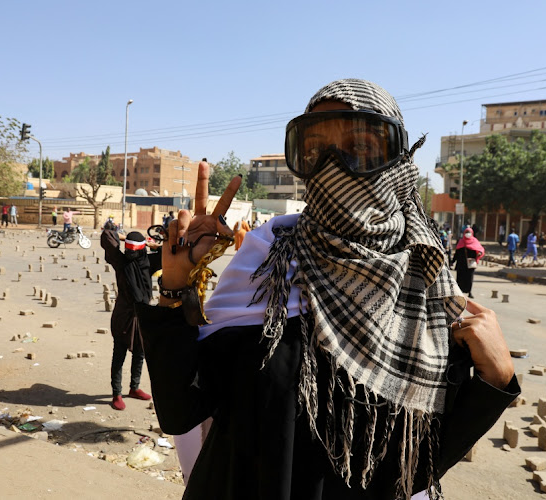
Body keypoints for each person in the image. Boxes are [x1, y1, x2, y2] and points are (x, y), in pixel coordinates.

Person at [137, 79, 517, 500]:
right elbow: (181, 409)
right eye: (316, 150)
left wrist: (496, 380)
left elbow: (415, 468)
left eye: (362, 147)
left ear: (397, 159)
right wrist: (174, 286)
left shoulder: (425, 283)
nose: (335, 164)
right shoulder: (266, 259)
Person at [101, 229, 161, 410]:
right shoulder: (122, 262)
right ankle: (116, 394)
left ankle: (134, 388)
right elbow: (106, 233)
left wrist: (126, 239)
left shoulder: (147, 262)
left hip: (142, 314)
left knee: (140, 352)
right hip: (124, 315)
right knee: (119, 354)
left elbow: (107, 236)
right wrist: (152, 245)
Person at [451, 227, 485, 299]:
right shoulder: (461, 241)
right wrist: (452, 261)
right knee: (460, 278)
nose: (467, 234)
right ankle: (459, 292)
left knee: (469, 278)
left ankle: (469, 292)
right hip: (461, 263)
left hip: (470, 263)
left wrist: (479, 254)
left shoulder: (475, 241)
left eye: (469, 232)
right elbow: (457, 253)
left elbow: (480, 249)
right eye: (466, 232)